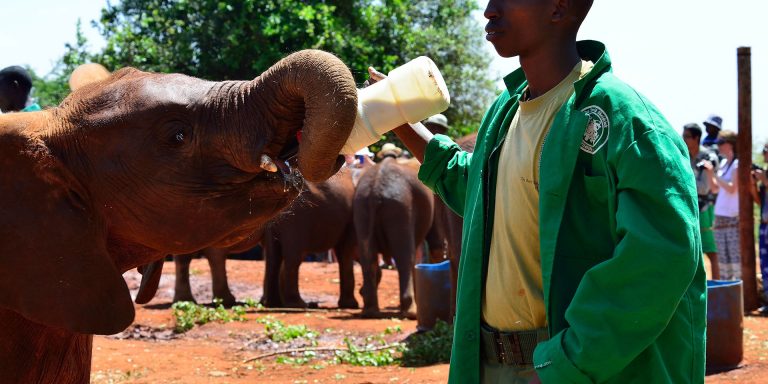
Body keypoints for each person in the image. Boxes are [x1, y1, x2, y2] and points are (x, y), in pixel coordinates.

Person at [367, 1, 705, 382]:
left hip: (578, 370)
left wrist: (563, 366)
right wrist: (394, 112)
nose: (489, 11)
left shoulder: (628, 121)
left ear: (558, 8)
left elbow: (662, 257)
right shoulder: (505, 112)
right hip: (493, 366)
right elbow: (479, 193)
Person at [683, 123, 721, 279]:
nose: (683, 139)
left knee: (711, 251)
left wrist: (684, 182)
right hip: (690, 209)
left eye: (686, 136)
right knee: (693, 250)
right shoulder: (685, 156)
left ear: (696, 138)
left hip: (707, 210)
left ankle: (718, 287)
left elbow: (705, 188)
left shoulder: (708, 157)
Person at [706, 130, 741, 281]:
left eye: (721, 143)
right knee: (723, 262)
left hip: (733, 219)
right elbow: (715, 189)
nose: (718, 146)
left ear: (730, 144)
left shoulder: (737, 164)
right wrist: (709, 173)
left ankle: (741, 299)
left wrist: (714, 175)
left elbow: (732, 188)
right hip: (720, 218)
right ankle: (729, 299)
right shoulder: (724, 163)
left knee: (735, 261)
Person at [752, 143, 768, 313]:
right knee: (764, 266)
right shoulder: (764, 173)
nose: (764, 154)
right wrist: (752, 184)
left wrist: (764, 179)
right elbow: (759, 200)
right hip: (764, 225)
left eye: (766, 151)